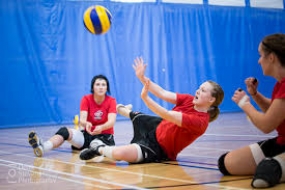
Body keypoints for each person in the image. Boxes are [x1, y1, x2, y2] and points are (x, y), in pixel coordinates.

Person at [79, 57, 224, 164]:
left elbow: (167, 114)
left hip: (159, 148)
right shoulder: (189, 99)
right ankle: (123, 109)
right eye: (199, 88)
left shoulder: (200, 122)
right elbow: (162, 92)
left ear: (211, 100)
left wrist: (145, 98)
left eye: (203, 90)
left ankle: (98, 148)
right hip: (157, 126)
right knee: (136, 115)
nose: (198, 91)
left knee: (118, 153)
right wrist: (142, 77)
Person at [217, 33, 285, 188]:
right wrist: (254, 94)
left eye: (261, 55)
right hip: (282, 142)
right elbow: (277, 112)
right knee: (226, 163)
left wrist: (244, 103)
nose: (259, 60)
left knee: (265, 175)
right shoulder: (280, 84)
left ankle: (274, 165)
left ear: (272, 57)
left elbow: (266, 125)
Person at [28, 74, 117, 157]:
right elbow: (82, 120)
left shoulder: (111, 101)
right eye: (97, 84)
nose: (100, 87)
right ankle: (42, 147)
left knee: (95, 144)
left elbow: (111, 122)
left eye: (103, 85)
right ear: (92, 87)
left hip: (104, 137)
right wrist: (86, 124)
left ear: (107, 88)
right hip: (87, 135)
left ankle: (94, 149)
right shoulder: (86, 99)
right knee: (64, 131)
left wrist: (101, 127)